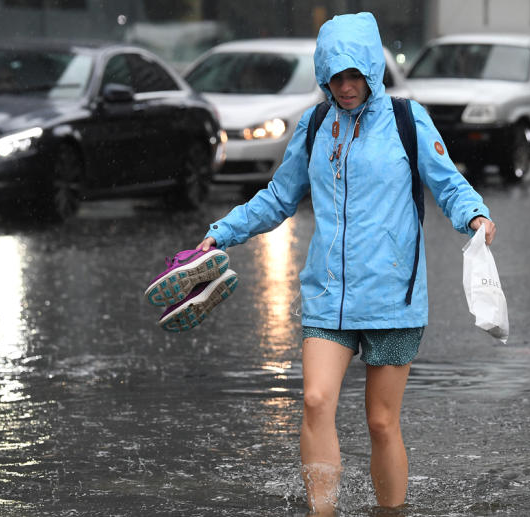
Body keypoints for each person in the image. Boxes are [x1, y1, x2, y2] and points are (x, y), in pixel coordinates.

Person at [194, 12, 497, 513]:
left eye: (355, 75)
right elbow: (277, 197)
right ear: (323, 77)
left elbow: (448, 184)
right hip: (327, 295)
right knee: (315, 400)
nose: (346, 86)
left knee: (381, 422)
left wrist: (476, 216)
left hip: (393, 297)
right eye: (336, 77)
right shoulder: (315, 125)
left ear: (372, 72)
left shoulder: (407, 119)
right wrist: (220, 234)